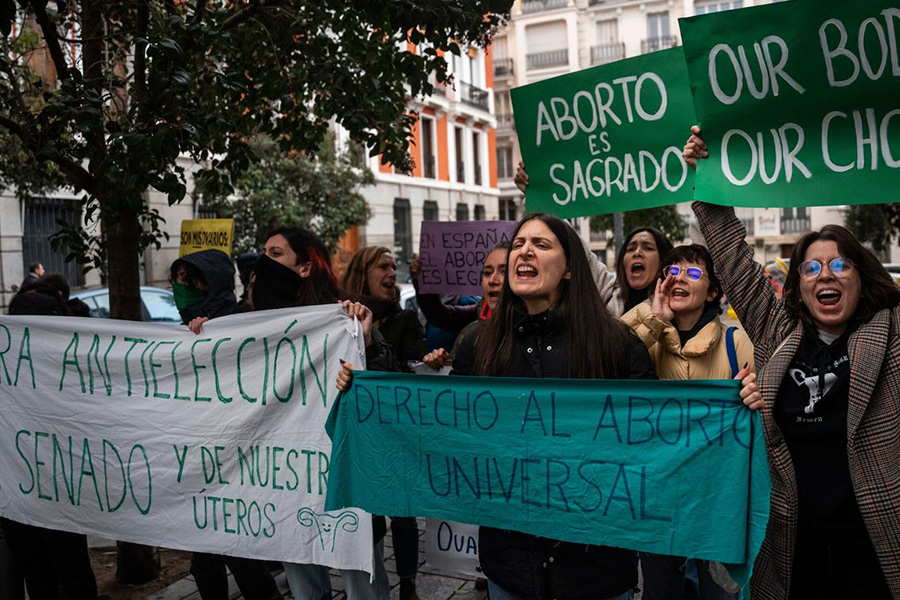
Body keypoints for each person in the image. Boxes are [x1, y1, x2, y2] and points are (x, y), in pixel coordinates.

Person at [337, 213, 659, 600]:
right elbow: (433, 422)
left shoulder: (616, 344)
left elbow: (654, 437)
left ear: (571, 268)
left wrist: (740, 398)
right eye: (519, 244)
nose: (524, 251)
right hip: (510, 570)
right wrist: (370, 369)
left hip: (595, 571)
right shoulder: (478, 342)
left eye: (541, 245)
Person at [684, 126, 900, 599]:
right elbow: (734, 259)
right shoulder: (779, 334)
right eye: (812, 267)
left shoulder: (891, 334)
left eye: (840, 265)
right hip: (792, 544)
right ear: (797, 286)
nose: (826, 274)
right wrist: (707, 178)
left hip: (876, 542)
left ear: (861, 279)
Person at [251, 227, 392, 600]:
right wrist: (204, 328)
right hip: (285, 478)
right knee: (304, 585)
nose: (266, 260)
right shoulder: (248, 322)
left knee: (363, 582)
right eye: (263, 252)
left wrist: (364, 342)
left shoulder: (344, 317)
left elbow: (386, 384)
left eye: (276, 253)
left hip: (346, 472)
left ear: (304, 267)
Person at [621, 243, 760, 599]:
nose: (680, 278)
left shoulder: (736, 342)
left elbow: (761, 415)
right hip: (658, 501)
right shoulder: (647, 337)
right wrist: (655, 318)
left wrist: (758, 392)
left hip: (718, 503)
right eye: (672, 271)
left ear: (713, 291)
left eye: (694, 272)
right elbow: (609, 360)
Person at [170, 250, 284, 600]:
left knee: (242, 560)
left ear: (214, 284)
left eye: (194, 284)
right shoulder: (179, 336)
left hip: (239, 462)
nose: (185, 292)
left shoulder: (244, 322)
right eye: (180, 284)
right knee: (205, 564)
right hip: (199, 464)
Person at [1, 283, 99, 600]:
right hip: (43, 495)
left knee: (46, 575)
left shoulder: (67, 369)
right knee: (63, 573)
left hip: (31, 497)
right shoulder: (67, 369)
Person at [341, 246, 427, 600]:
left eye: (395, 266)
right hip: (361, 434)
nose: (392, 273)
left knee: (403, 512)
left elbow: (411, 365)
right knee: (368, 513)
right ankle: (371, 579)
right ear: (363, 272)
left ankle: (408, 582)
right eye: (384, 266)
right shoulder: (337, 316)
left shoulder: (404, 319)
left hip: (395, 428)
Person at [514, 161, 672, 316]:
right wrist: (538, 195)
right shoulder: (608, 292)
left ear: (664, 262)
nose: (637, 253)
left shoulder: (676, 301)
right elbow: (573, 244)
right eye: (630, 249)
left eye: (648, 248)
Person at [418, 242, 508, 369]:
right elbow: (440, 315)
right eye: (487, 273)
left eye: (504, 272)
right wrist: (445, 362)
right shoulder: (469, 335)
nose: (493, 280)